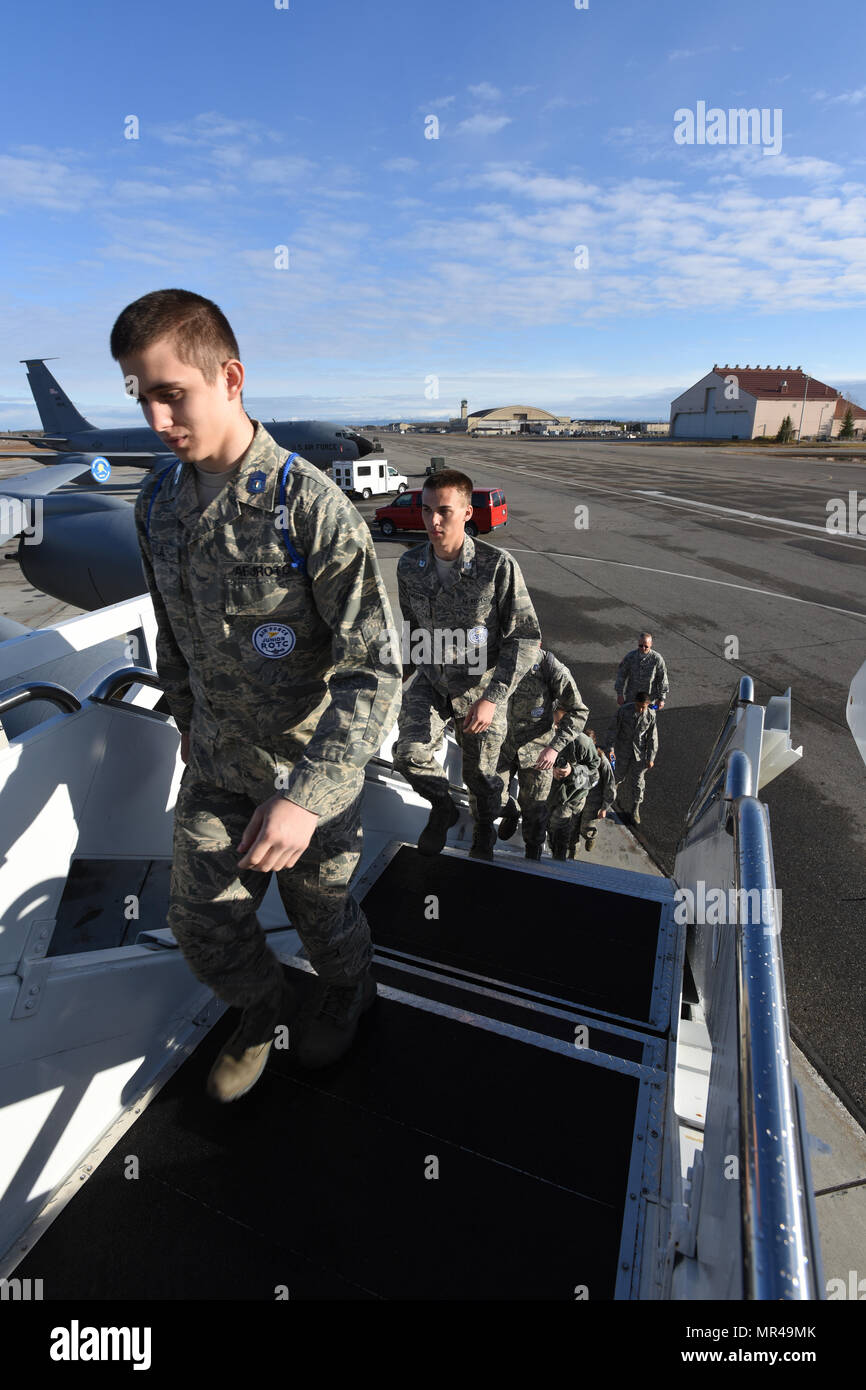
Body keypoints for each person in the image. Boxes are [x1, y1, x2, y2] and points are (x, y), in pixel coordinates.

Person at [117, 288, 401, 1102]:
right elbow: (172, 636)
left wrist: (309, 798)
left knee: (324, 916)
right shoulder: (157, 504)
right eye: (143, 397)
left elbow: (373, 667)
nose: (159, 420)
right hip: (217, 765)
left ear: (230, 377)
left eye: (174, 394)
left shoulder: (307, 506)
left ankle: (349, 991)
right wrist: (184, 720)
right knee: (201, 924)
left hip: (308, 777)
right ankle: (264, 1007)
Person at [392, 469, 541, 861]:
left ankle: (483, 840)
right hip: (432, 679)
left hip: (480, 687)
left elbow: (524, 638)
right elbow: (412, 627)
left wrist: (493, 697)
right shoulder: (409, 566)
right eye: (425, 511)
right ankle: (442, 807)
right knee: (408, 752)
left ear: (467, 513)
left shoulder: (496, 566)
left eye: (443, 511)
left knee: (482, 780)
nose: (433, 521)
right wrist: (398, 677)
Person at [496, 644, 589, 859]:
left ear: (537, 643)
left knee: (536, 813)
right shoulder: (501, 657)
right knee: (489, 795)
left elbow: (578, 712)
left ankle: (533, 858)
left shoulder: (551, 667)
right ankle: (511, 811)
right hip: (503, 745)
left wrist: (554, 748)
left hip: (538, 753)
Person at [544, 733, 601, 860]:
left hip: (572, 797)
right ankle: (556, 852)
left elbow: (593, 775)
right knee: (550, 828)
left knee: (561, 827)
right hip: (549, 795)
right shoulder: (543, 730)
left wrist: (572, 772)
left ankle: (565, 855)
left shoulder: (582, 743)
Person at [604, 692, 658, 825]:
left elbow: (653, 737)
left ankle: (635, 808)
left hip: (639, 755)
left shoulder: (651, 715)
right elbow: (613, 729)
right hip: (622, 751)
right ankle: (606, 803)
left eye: (643, 707)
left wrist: (651, 757)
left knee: (638, 782)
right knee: (616, 777)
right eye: (638, 706)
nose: (640, 710)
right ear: (635, 702)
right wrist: (610, 749)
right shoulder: (624, 711)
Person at [568, 728, 615, 855]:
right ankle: (572, 856)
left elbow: (610, 785)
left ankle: (590, 836)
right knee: (571, 831)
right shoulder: (576, 757)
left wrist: (605, 807)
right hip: (577, 800)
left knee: (586, 828)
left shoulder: (601, 761)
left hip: (593, 803)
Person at [615, 632, 669, 709]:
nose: (643, 648)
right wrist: (619, 694)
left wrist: (661, 698)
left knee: (647, 720)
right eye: (640, 646)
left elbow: (662, 679)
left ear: (651, 644)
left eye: (646, 646)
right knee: (629, 718)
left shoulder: (657, 659)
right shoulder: (630, 657)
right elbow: (621, 675)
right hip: (632, 698)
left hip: (649, 700)